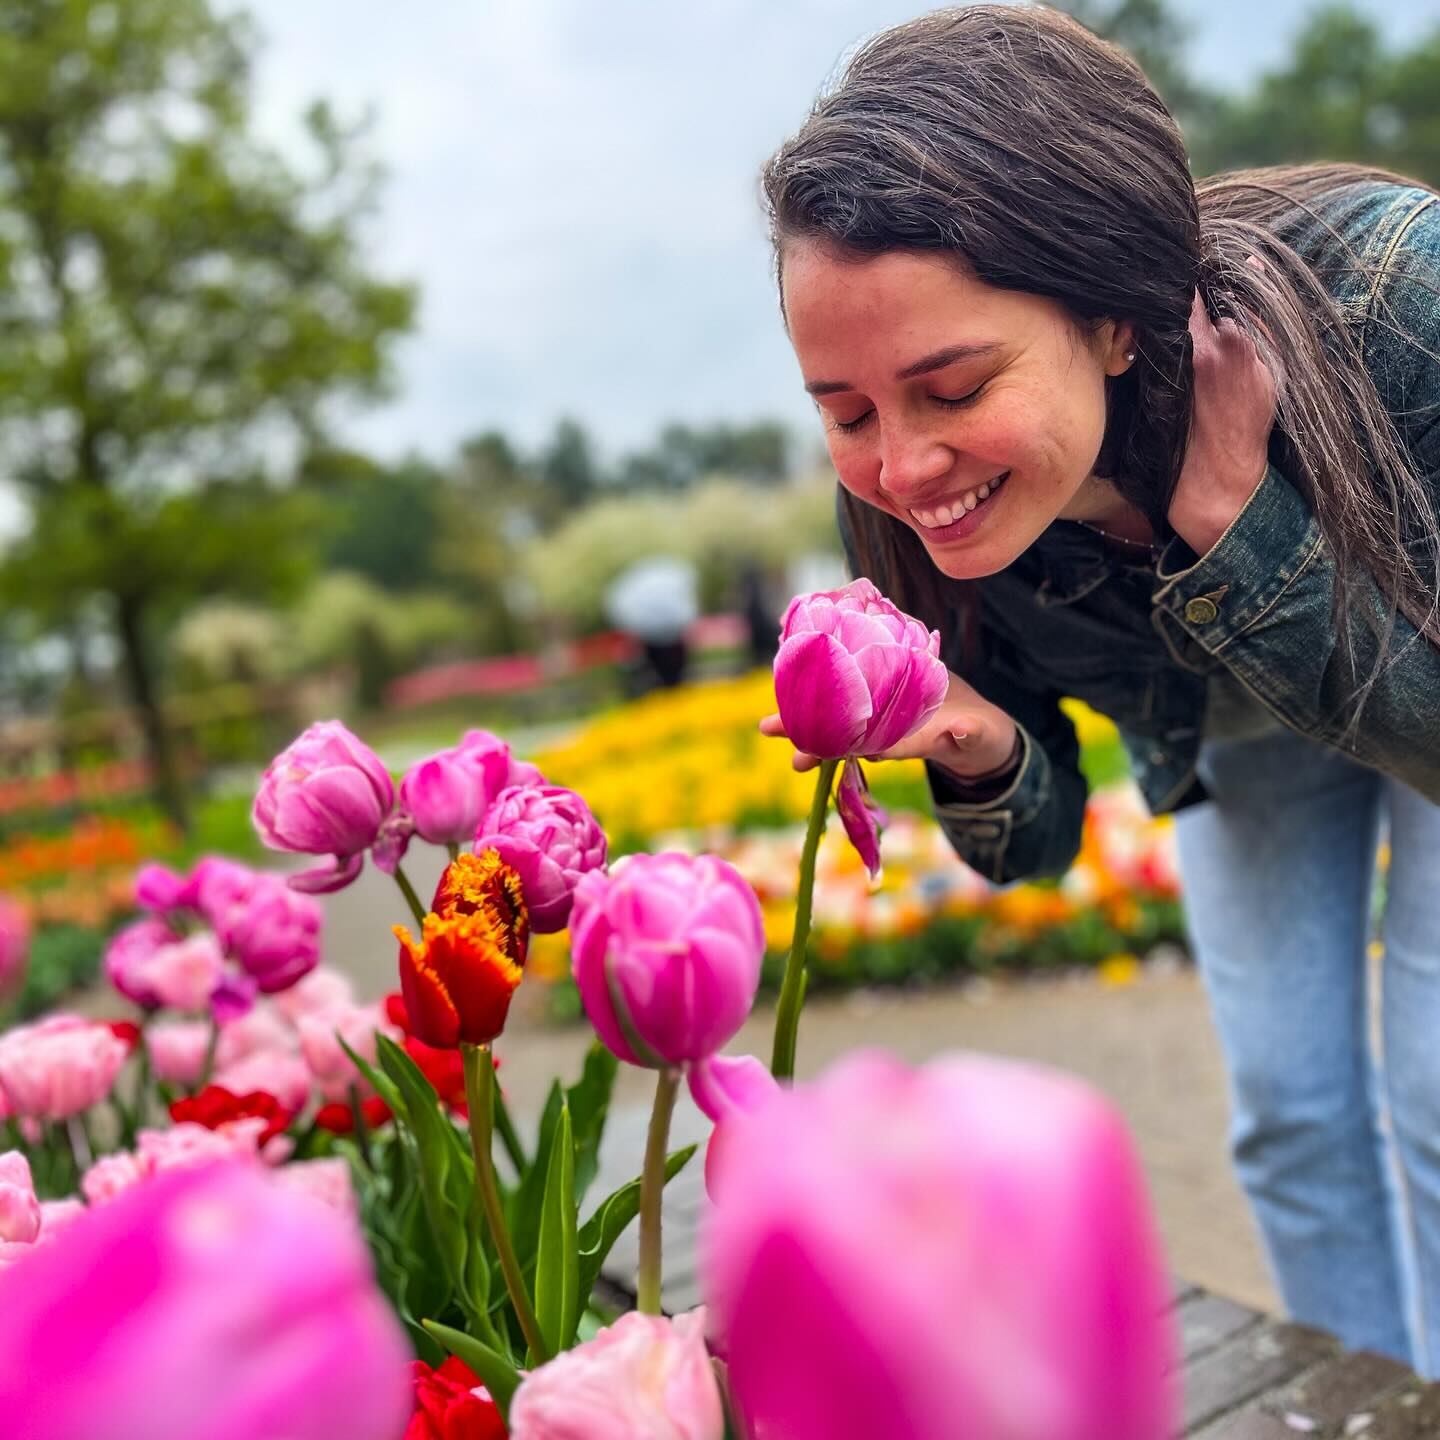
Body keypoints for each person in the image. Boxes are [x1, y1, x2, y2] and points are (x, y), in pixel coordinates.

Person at [757, 5, 1440, 1374]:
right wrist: (979, 746)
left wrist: (1247, 527)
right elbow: (1043, 840)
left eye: (954, 387)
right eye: (847, 413)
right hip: (1238, 726)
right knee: (1292, 1105)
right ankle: (1367, 1401)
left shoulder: (1398, 304)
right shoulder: (910, 519)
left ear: (1116, 321)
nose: (904, 464)